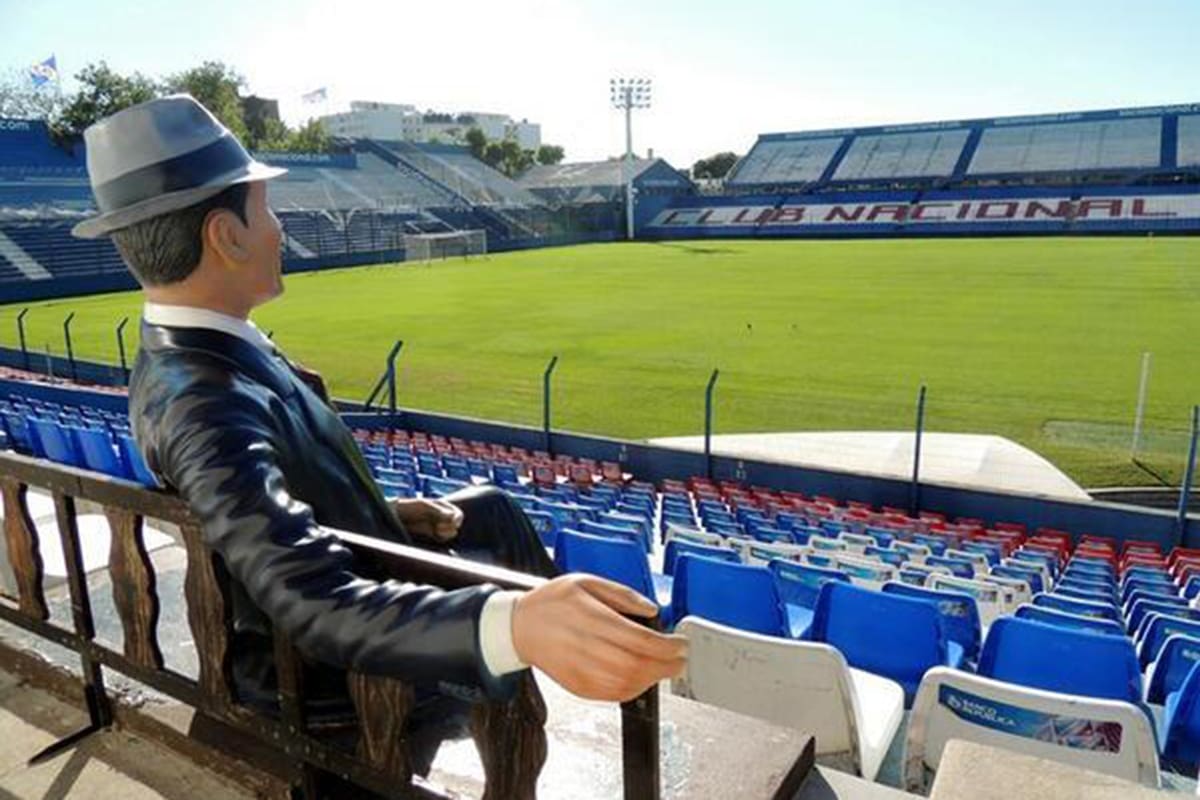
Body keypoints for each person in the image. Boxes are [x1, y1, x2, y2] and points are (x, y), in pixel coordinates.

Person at [72, 94, 685, 776]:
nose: (278, 227)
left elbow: (269, 502)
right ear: (227, 236)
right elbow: (311, 599)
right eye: (265, 210)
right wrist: (514, 624)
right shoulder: (201, 402)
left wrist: (382, 514)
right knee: (511, 591)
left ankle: (594, 656)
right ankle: (583, 665)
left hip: (349, 584)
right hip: (329, 683)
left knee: (492, 511)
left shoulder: (206, 350)